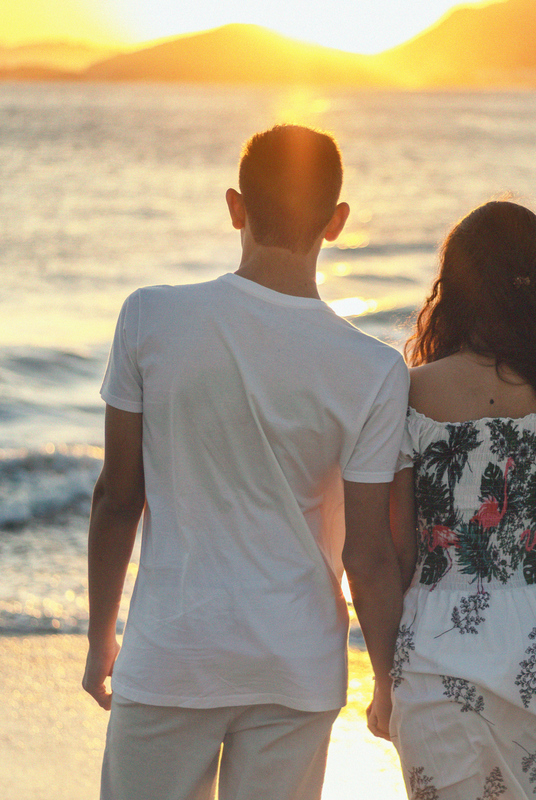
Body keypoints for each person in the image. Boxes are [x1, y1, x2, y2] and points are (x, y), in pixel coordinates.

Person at [82, 124, 408, 800]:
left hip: (174, 652)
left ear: (236, 207)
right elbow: (369, 556)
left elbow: (117, 498)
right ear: (338, 221)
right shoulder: (374, 370)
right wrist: (387, 681)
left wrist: (99, 640)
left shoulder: (149, 319)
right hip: (296, 664)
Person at [372, 201, 536, 799]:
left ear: (455, 288)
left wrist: (383, 684)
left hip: (437, 650)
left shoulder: (408, 392)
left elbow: (398, 556)